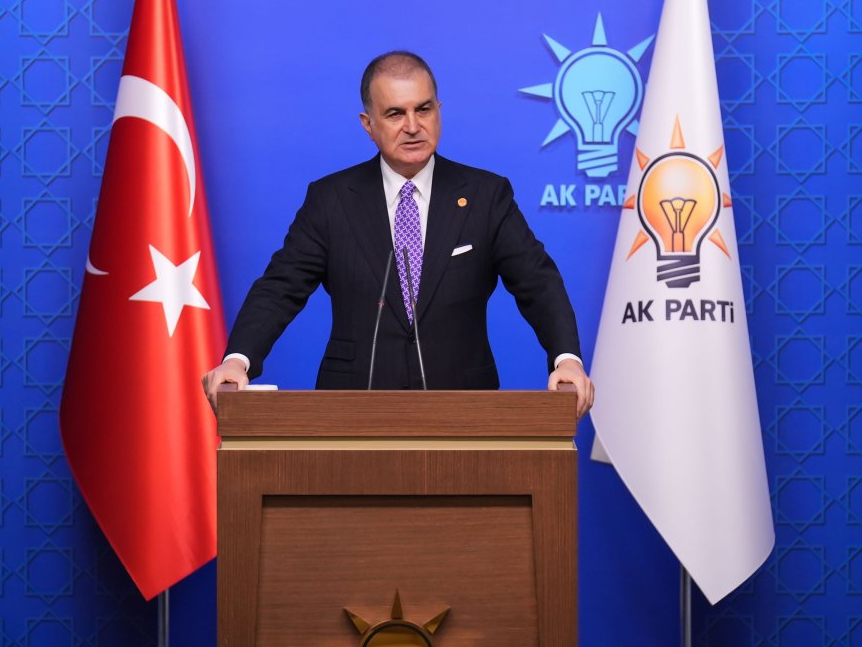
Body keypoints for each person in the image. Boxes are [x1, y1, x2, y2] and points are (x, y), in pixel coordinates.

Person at [202, 51, 594, 417]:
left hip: (462, 410)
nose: (412, 126)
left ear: (439, 111)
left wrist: (567, 360)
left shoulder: (485, 196)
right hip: (353, 409)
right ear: (368, 124)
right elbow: (280, 287)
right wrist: (238, 360)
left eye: (423, 109)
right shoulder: (331, 200)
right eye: (394, 113)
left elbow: (537, 282)